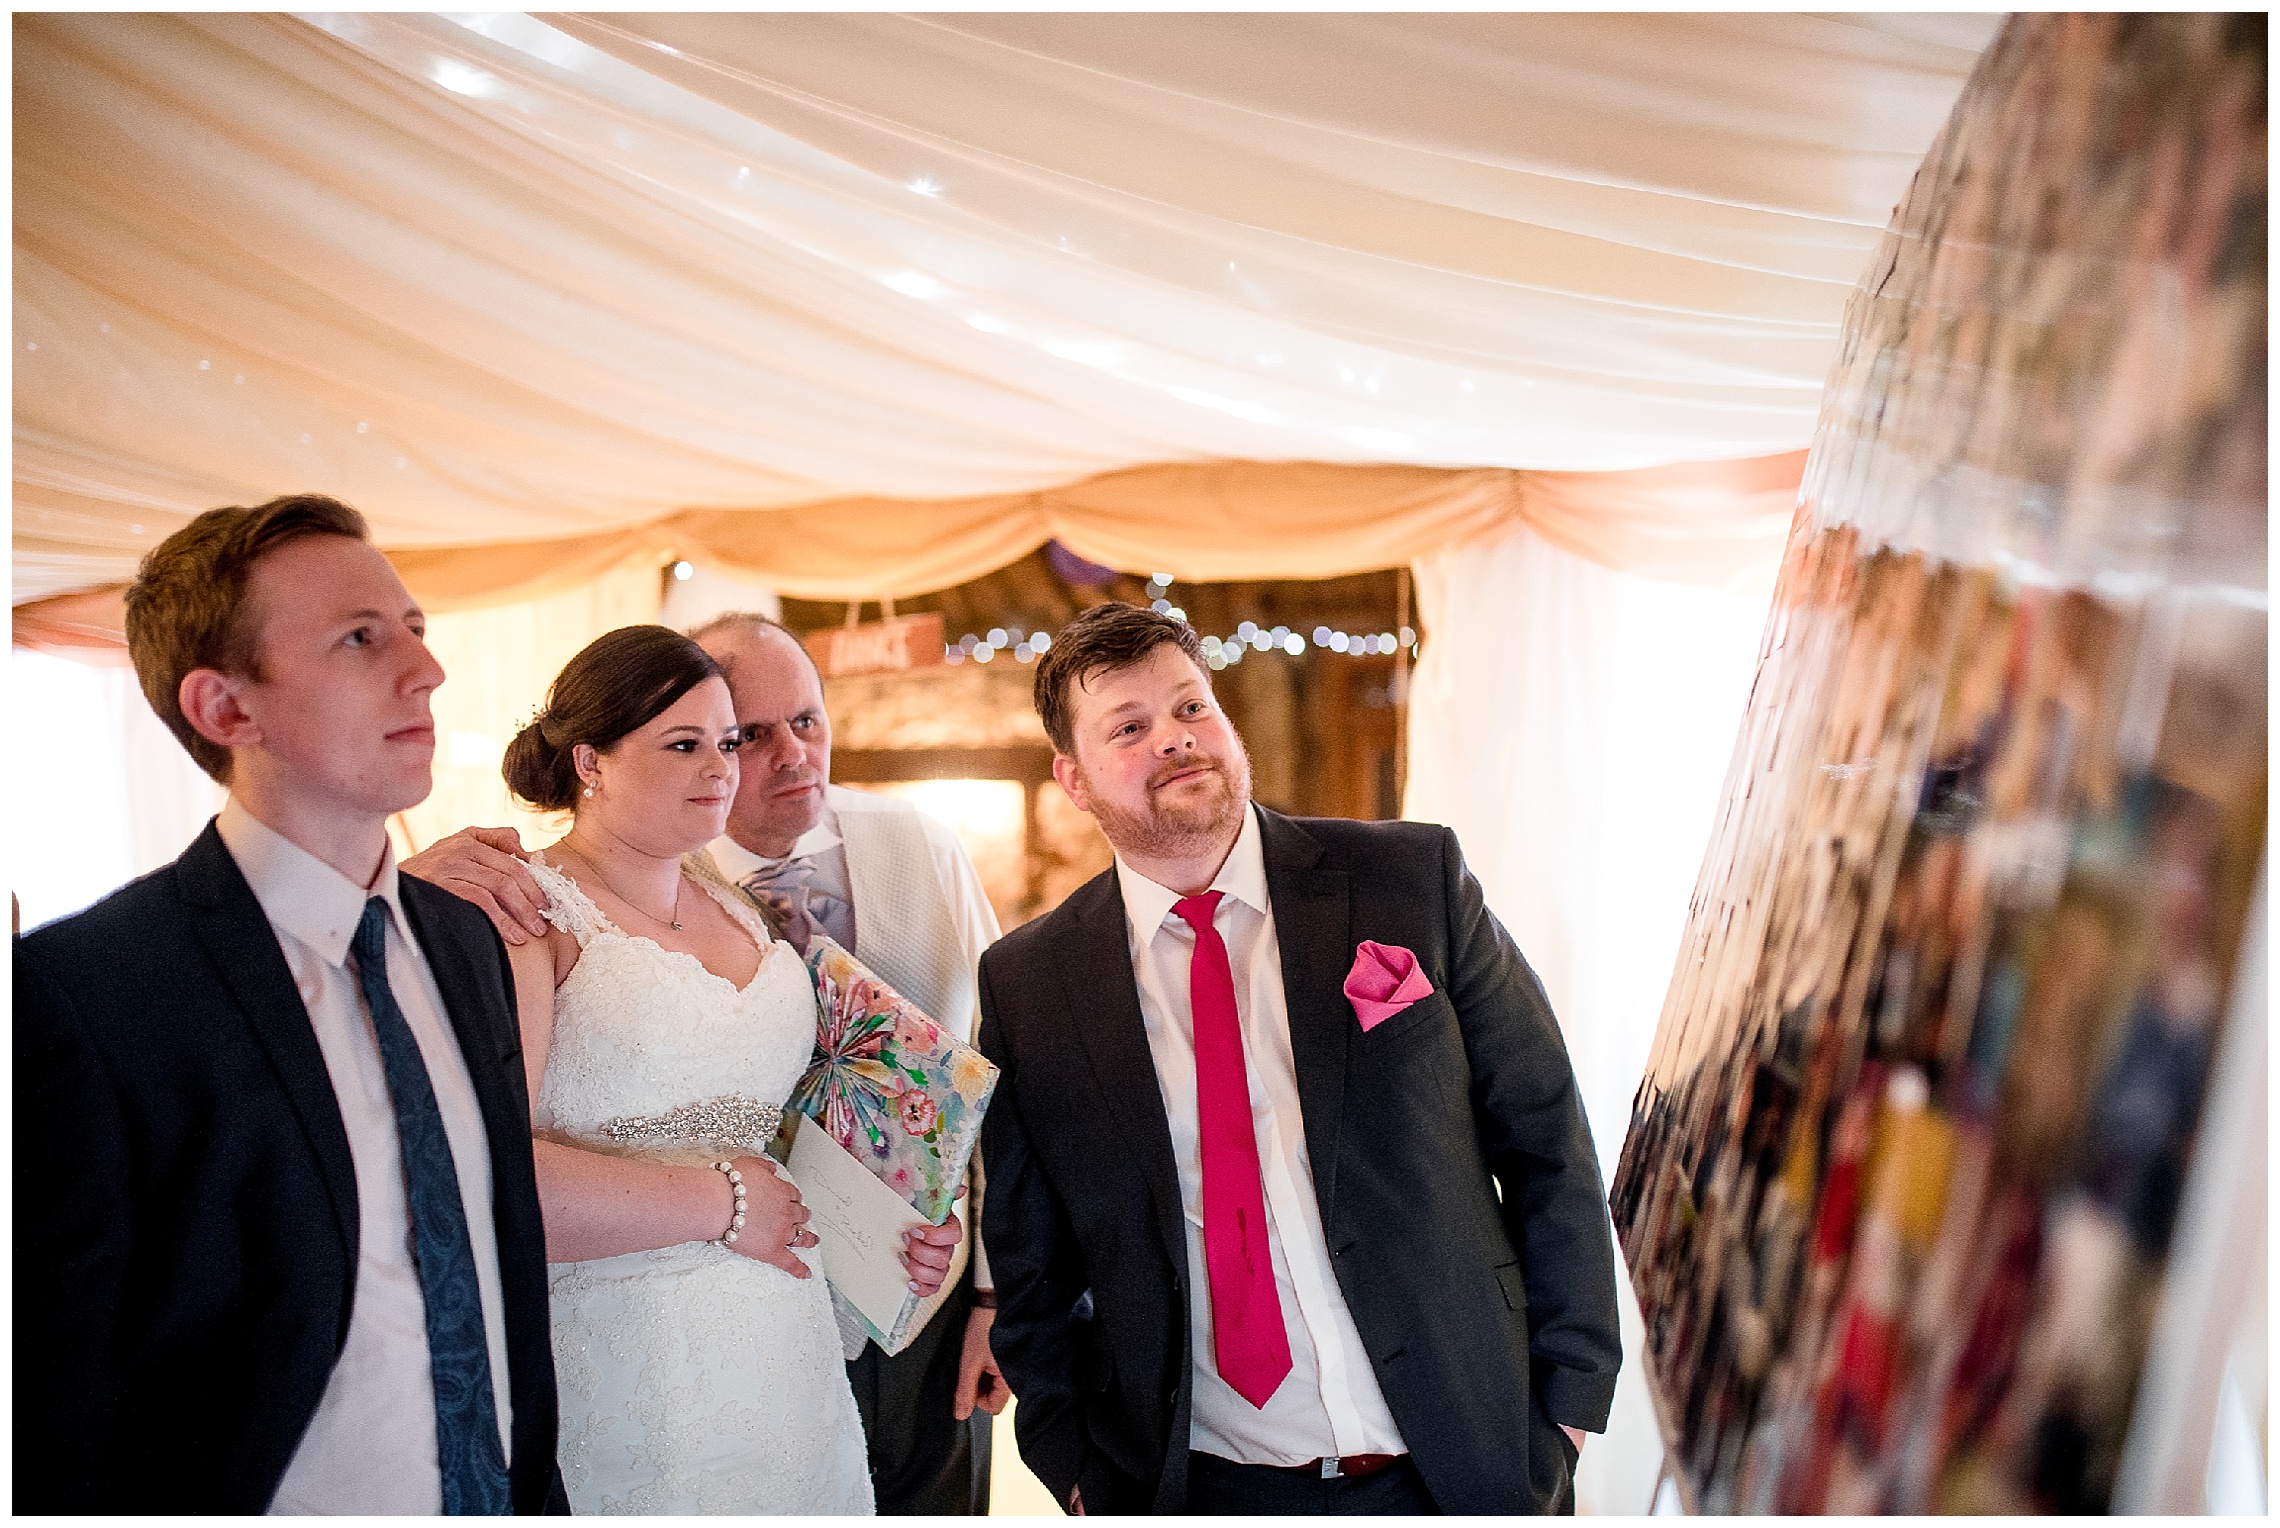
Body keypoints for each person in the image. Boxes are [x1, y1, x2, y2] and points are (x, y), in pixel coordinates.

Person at [976, 601, 1623, 1515]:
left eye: (1191, 707)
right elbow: (1031, 1256)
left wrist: (1569, 1401)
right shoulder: (1030, 984)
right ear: (1073, 780)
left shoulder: (1408, 882)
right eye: (1131, 726)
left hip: (1462, 1462)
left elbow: (1548, 1134)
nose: (1175, 738)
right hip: (1200, 1485)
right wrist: (1074, 1463)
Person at [15, 494, 564, 1513]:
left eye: (415, 629)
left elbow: (500, 1274)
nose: (427, 670)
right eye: (361, 638)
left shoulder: (463, 943)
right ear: (228, 710)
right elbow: (58, 1408)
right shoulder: (82, 997)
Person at [407, 611, 1006, 1513]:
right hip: (627, 1350)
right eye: (687, 744)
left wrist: (889, 1233)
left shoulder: (736, 907)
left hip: (787, 1349)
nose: (723, 768)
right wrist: (724, 1202)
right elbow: (482, 1178)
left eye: (725, 741)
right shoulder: (532, 913)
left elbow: (782, 1127)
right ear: (590, 761)